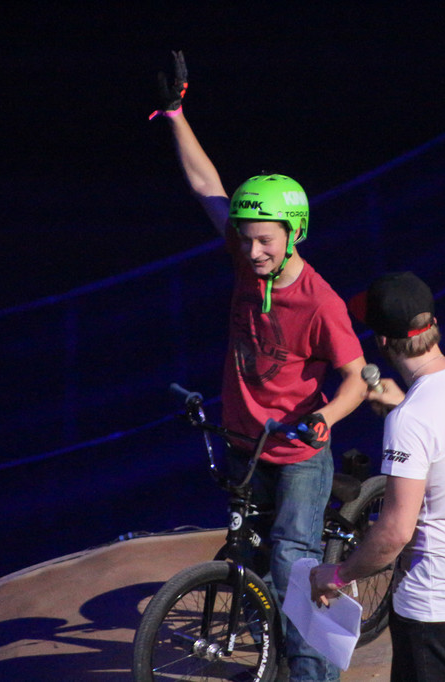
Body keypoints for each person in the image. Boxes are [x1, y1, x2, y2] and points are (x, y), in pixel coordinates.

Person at [151, 51, 366, 682]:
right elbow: (206, 186)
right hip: (246, 444)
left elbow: (357, 377)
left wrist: (324, 419)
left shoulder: (319, 301)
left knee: (293, 560)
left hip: (298, 451)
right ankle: (274, 647)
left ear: (293, 233)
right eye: (245, 239)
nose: (251, 251)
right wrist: (175, 114)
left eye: (264, 239)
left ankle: (312, 674)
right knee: (250, 553)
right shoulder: (247, 260)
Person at [310, 271, 445, 682]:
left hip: (435, 603)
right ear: (432, 323)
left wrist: (338, 575)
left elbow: (395, 531)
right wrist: (406, 406)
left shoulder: (411, 418)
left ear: (382, 341)